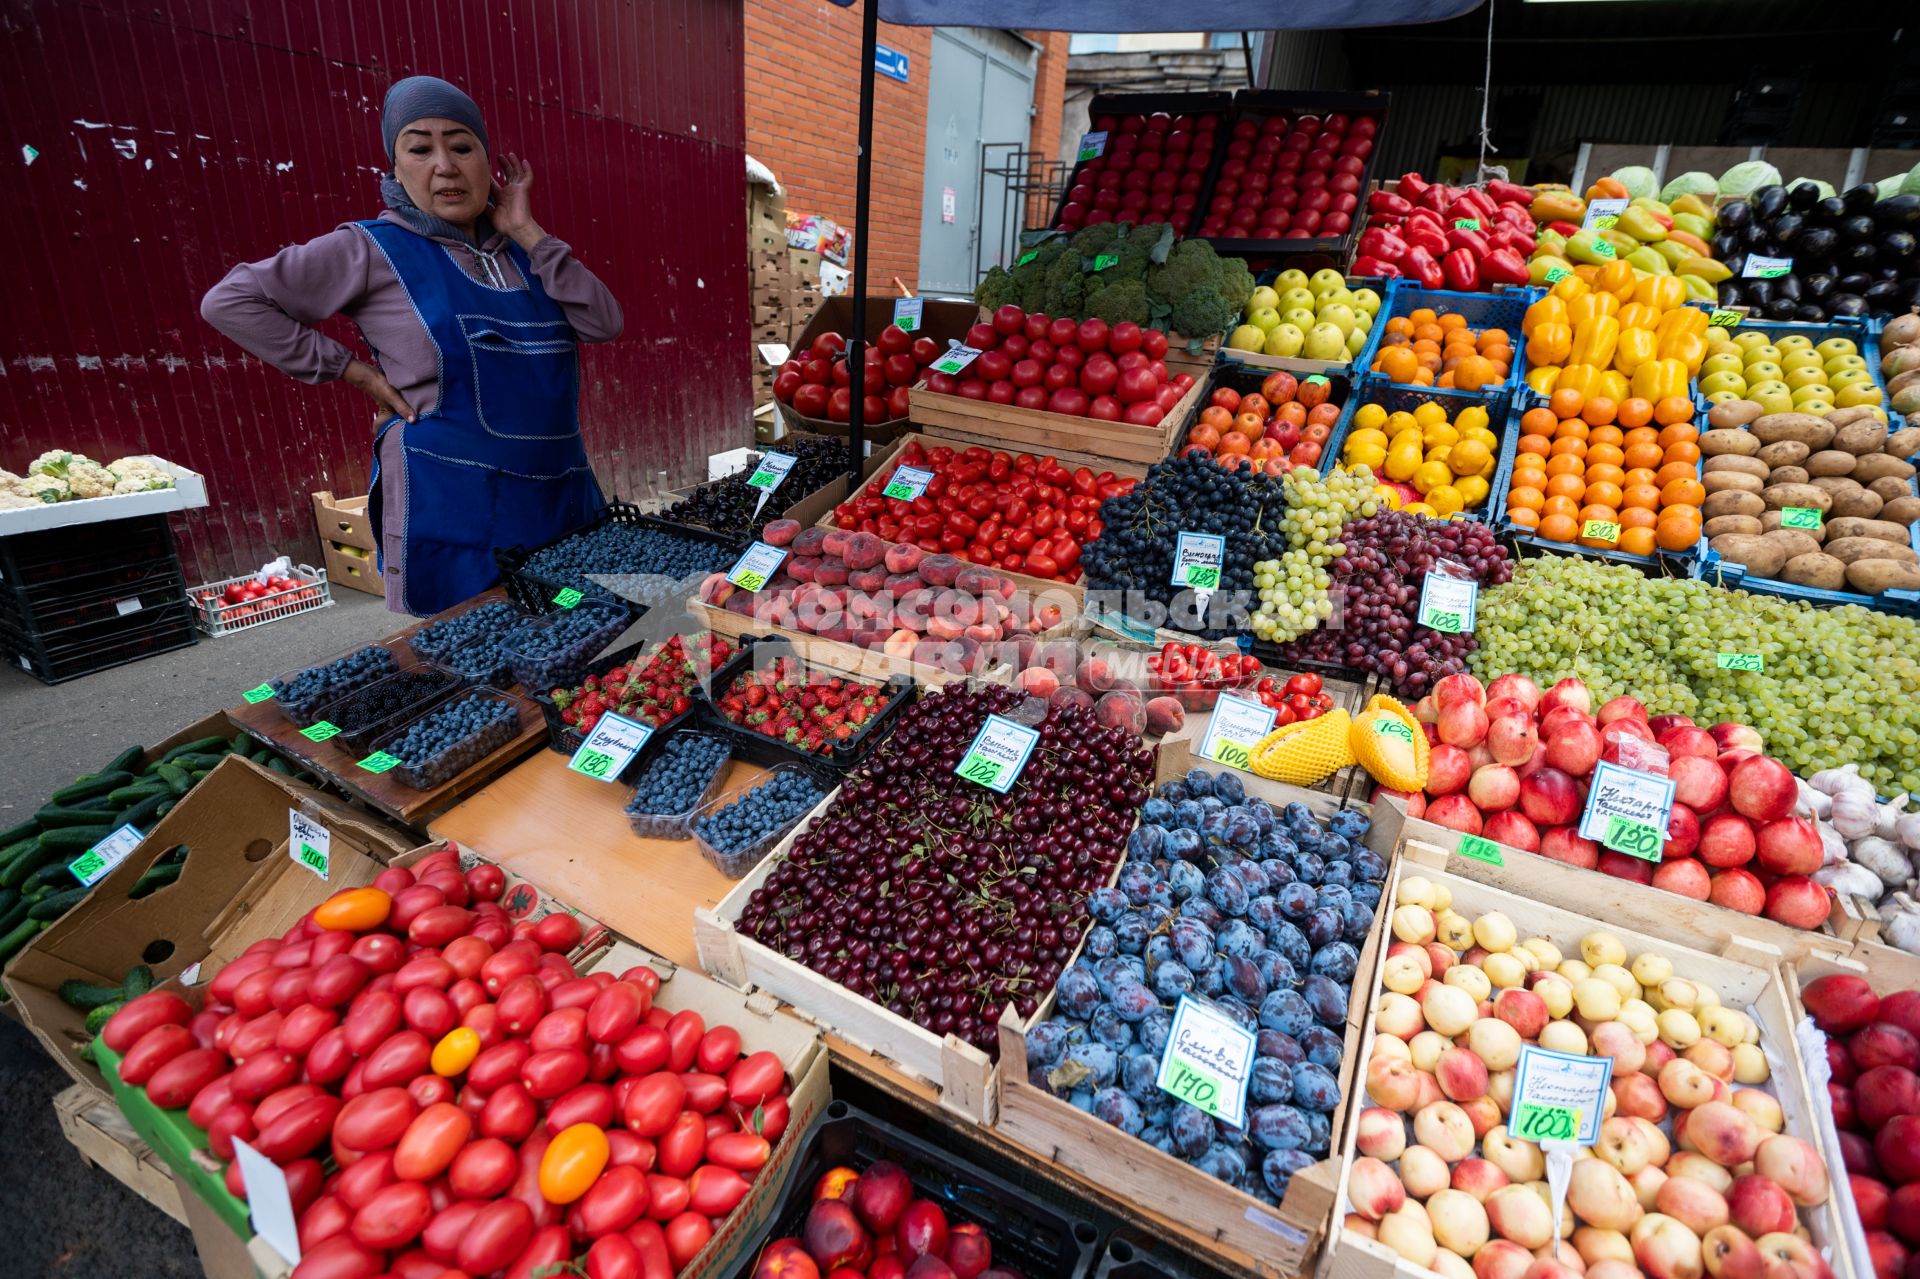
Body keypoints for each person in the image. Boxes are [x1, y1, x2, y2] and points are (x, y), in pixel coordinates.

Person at [201, 75, 622, 615]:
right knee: (472, 660)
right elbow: (231, 301)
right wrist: (356, 373)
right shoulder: (371, 250)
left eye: (462, 146)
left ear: (487, 162)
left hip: (559, 498)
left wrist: (525, 228)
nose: (445, 165)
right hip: (455, 511)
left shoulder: (529, 254)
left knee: (576, 640)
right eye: (420, 148)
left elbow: (603, 322)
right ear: (395, 168)